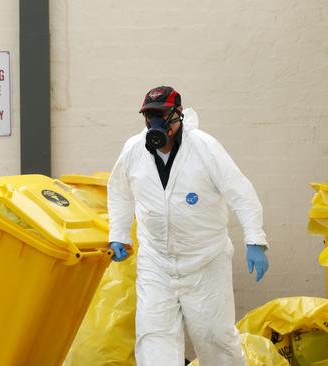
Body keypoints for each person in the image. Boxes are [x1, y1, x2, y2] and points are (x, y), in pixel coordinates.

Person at [107, 86, 269, 366]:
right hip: (156, 263)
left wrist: (255, 239)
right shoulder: (134, 150)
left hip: (206, 262)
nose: (154, 124)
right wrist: (118, 235)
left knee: (215, 340)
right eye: (149, 116)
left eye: (160, 116)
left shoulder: (204, 148)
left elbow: (240, 192)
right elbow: (120, 191)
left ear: (178, 116)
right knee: (154, 341)